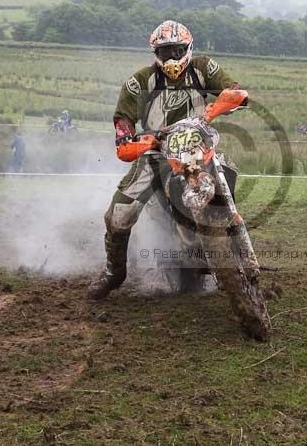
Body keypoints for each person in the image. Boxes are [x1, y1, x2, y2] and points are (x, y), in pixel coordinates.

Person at [88, 20, 242, 300]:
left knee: (226, 169)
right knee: (120, 214)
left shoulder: (202, 68)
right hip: (155, 153)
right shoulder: (140, 81)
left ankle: (229, 237)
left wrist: (224, 102)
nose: (171, 57)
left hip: (196, 145)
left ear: (188, 48)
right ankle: (114, 272)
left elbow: (233, 89)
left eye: (176, 50)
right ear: (155, 53)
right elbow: (123, 121)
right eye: (164, 52)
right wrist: (126, 137)